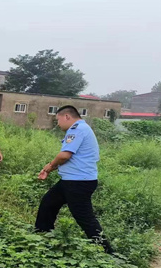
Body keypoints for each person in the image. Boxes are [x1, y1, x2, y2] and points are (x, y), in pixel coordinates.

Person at [35, 105, 113, 253]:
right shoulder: (82, 128)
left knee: (84, 217)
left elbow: (65, 155)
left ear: (67, 117)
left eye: (58, 120)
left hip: (78, 182)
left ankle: (107, 252)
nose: (58, 124)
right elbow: (71, 158)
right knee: (48, 203)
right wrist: (50, 168)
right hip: (71, 180)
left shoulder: (77, 129)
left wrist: (50, 166)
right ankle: (42, 236)